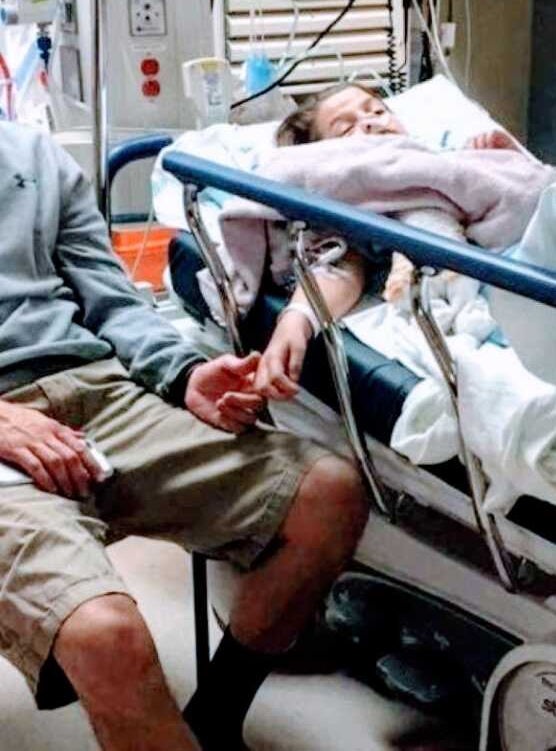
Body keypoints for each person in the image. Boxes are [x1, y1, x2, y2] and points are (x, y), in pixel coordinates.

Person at [0, 121, 369, 751]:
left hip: (94, 388)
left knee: (328, 493)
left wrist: (186, 374)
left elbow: (112, 301)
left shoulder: (34, 156)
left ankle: (214, 722)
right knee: (105, 634)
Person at [255, 83, 519, 399]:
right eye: (345, 128)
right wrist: (297, 321)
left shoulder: (444, 158)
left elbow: (525, 193)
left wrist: (506, 157)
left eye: (377, 111)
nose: (370, 122)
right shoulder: (358, 198)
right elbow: (339, 266)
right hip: (516, 277)